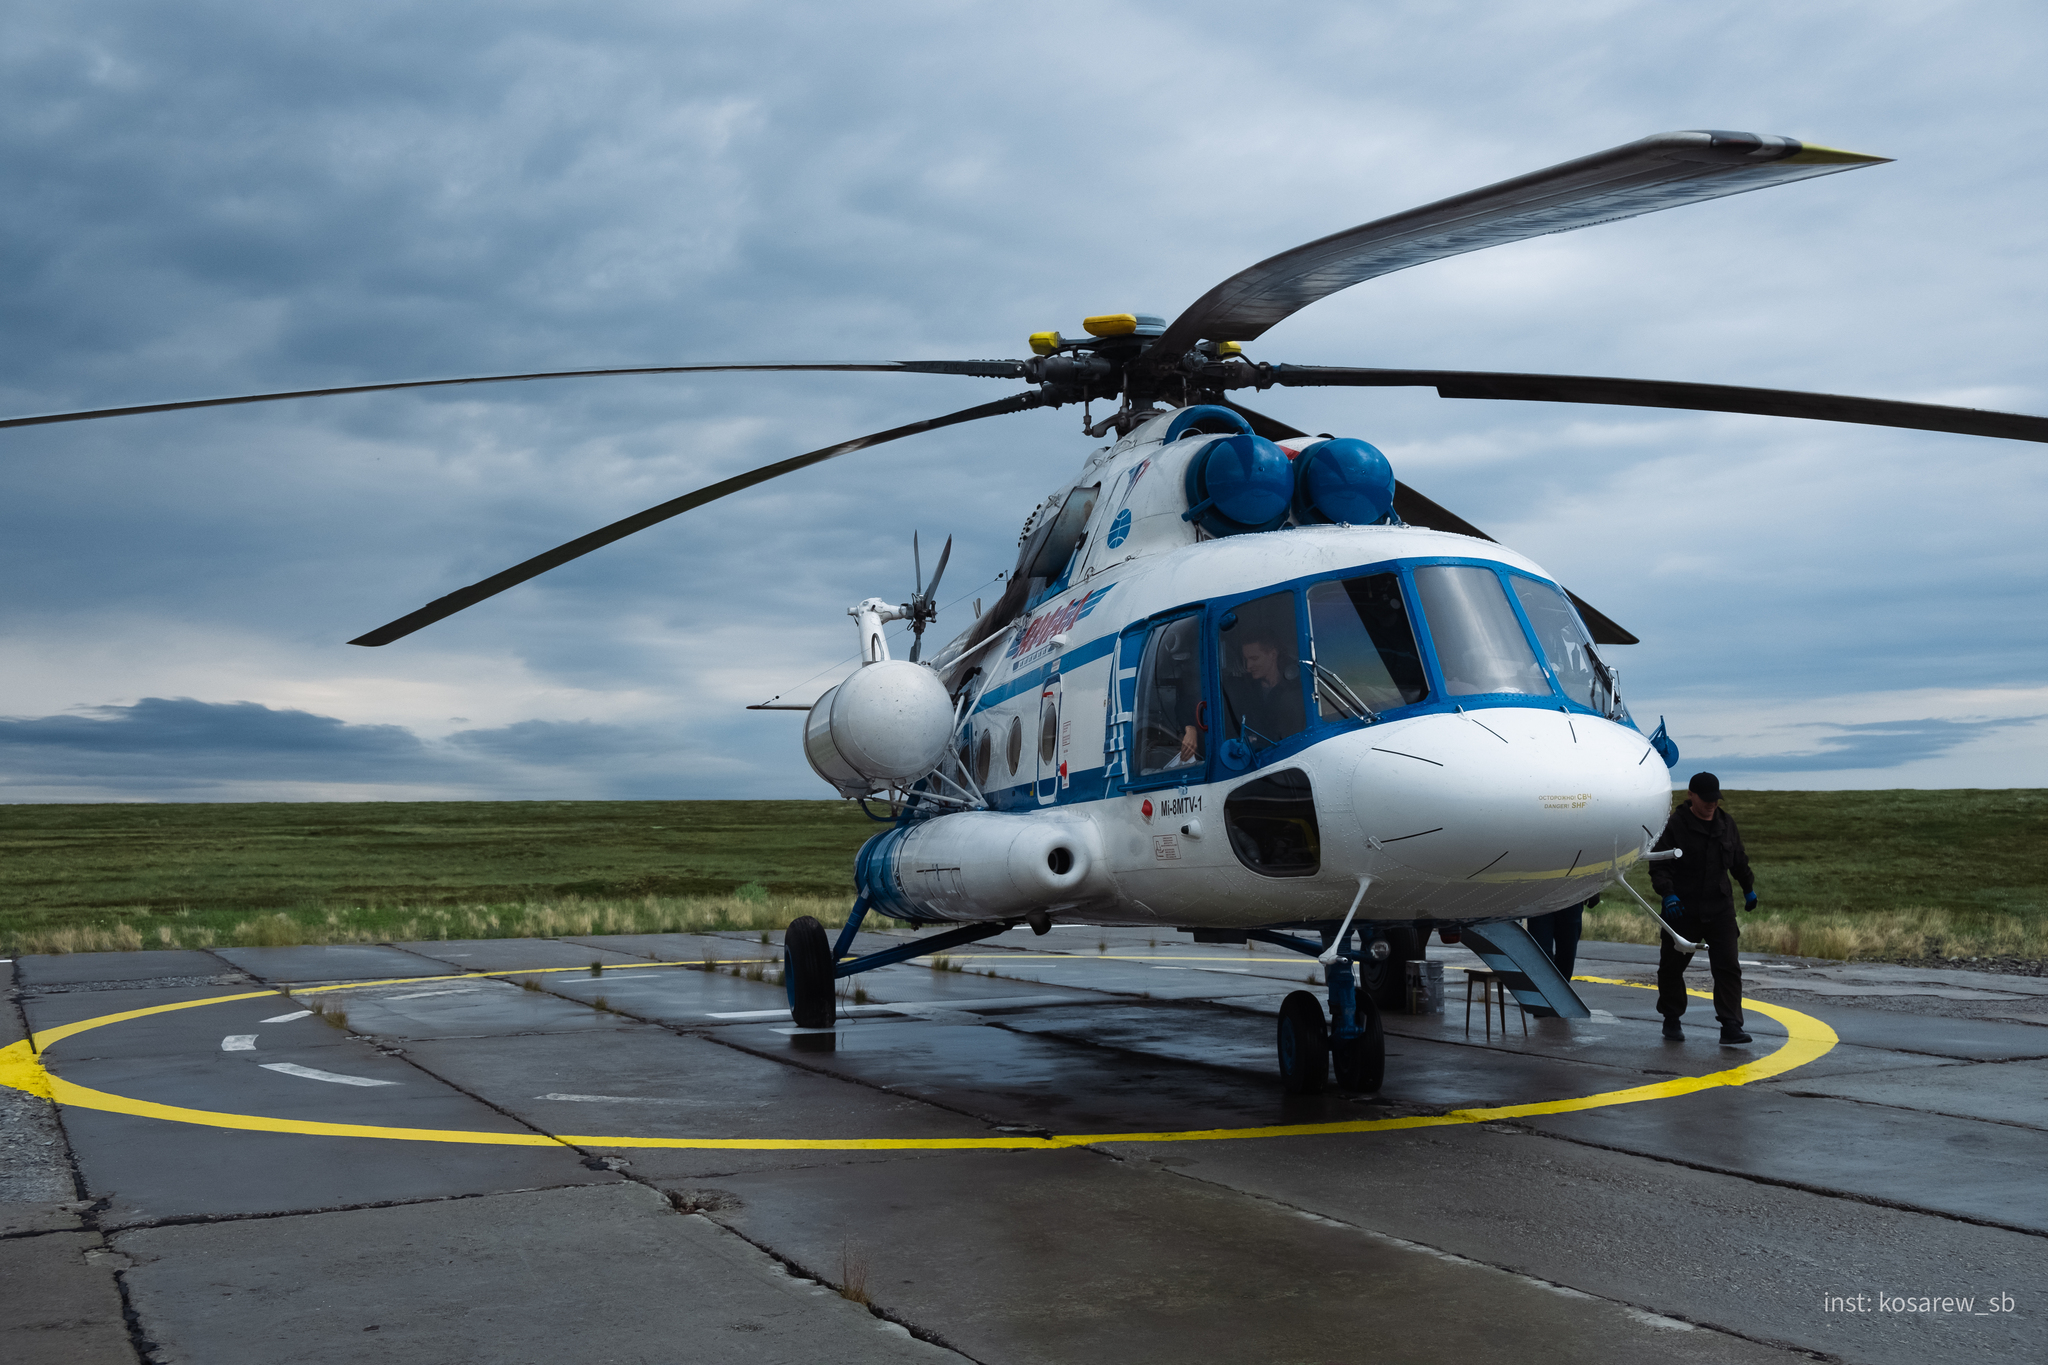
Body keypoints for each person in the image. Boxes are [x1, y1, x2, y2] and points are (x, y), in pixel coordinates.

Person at [1648, 772, 1758, 1044]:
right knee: (1672, 967)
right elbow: (1659, 865)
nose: (1712, 804)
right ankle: (1671, 1018)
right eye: (1706, 799)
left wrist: (1747, 888)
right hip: (1682, 909)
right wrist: (1668, 894)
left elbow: (1738, 859)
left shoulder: (1725, 823)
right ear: (1691, 795)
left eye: (1715, 799)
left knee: (1728, 966)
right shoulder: (1674, 825)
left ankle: (1731, 1026)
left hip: (1719, 907)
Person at [1225, 632, 1306, 751]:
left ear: (1273, 654)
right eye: (1246, 660)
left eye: (1254, 658)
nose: (1248, 666)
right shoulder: (1242, 692)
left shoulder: (1297, 689)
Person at [1527, 895, 1596, 979]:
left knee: (1567, 951)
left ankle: (1561, 985)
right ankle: (1544, 984)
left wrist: (1594, 890)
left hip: (1571, 897)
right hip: (1540, 897)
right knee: (1540, 951)